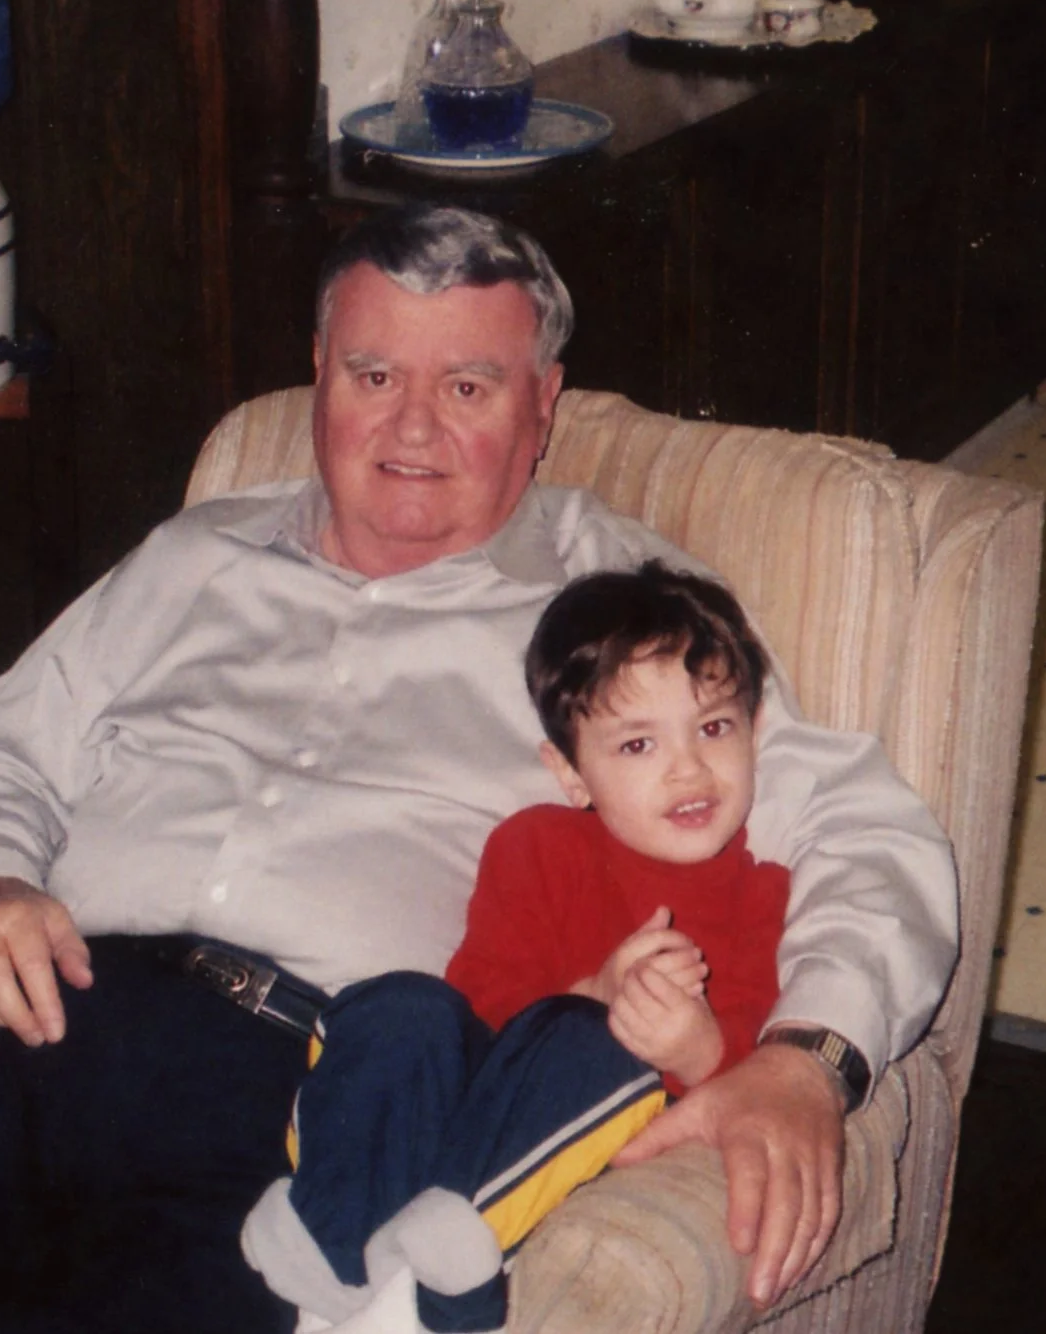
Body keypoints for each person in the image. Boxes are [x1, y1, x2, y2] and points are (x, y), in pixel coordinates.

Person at [0, 203, 958, 1334]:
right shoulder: (195, 553)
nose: (410, 427)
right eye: (371, 377)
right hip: (25, 1012)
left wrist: (809, 1057)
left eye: (466, 385)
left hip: (300, 1104)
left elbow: (867, 827)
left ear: (543, 409)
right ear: (317, 382)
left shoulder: (625, 611)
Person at [241, 562, 791, 1334]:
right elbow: (483, 1006)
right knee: (405, 1003)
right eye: (637, 744)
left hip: (560, 1144)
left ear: (754, 730)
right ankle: (327, 1268)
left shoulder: (763, 896)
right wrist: (594, 989)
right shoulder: (533, 847)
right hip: (477, 1101)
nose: (689, 767)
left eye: (713, 727)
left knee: (588, 1042)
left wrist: (697, 1049)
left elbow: (765, 1069)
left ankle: (430, 1287)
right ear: (571, 773)